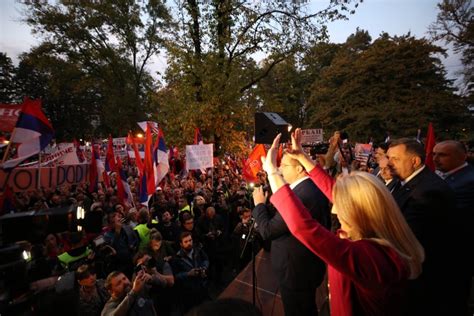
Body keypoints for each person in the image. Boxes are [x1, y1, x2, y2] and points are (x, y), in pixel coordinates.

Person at [253, 129, 424, 316]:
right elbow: (332, 189)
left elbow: (303, 226)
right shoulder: (379, 242)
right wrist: (302, 156)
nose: (334, 209)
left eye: (340, 204)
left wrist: (272, 172)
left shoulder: (364, 256)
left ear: (359, 212)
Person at [252, 150, 331, 316]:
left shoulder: (301, 195)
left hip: (296, 271)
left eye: (284, 165)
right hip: (306, 266)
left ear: (299, 169)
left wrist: (259, 205)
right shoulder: (312, 187)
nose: (280, 169)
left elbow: (267, 230)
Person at [387, 138, 459, 315]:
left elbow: (407, 234)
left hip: (422, 277)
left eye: (395, 159)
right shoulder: (399, 181)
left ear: (415, 161)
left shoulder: (430, 191)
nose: (388, 163)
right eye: (388, 158)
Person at [433, 140, 474, 314]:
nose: (435, 159)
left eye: (442, 155)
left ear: (462, 156)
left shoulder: (469, 181)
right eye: (434, 154)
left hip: (456, 254)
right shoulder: (440, 175)